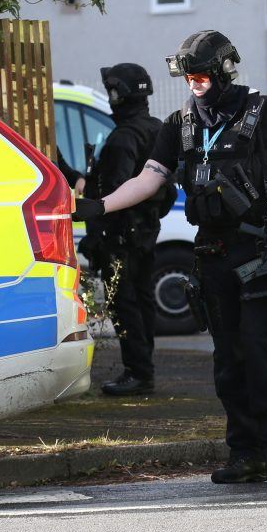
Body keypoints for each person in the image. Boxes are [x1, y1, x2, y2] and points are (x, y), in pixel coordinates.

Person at [73, 31, 267, 484]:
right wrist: (100, 204)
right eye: (190, 76)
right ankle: (243, 453)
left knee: (258, 349)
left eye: (202, 75)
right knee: (227, 358)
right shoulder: (180, 125)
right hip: (212, 253)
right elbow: (150, 179)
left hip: (260, 250)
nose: (195, 83)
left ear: (226, 70)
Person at [60, 63, 166, 396]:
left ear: (119, 95)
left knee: (124, 304)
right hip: (145, 232)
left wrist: (97, 236)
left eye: (112, 91)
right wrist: (70, 173)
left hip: (119, 238)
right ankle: (143, 369)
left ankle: (137, 373)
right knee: (144, 302)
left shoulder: (123, 139)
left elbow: (113, 193)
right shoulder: (155, 129)